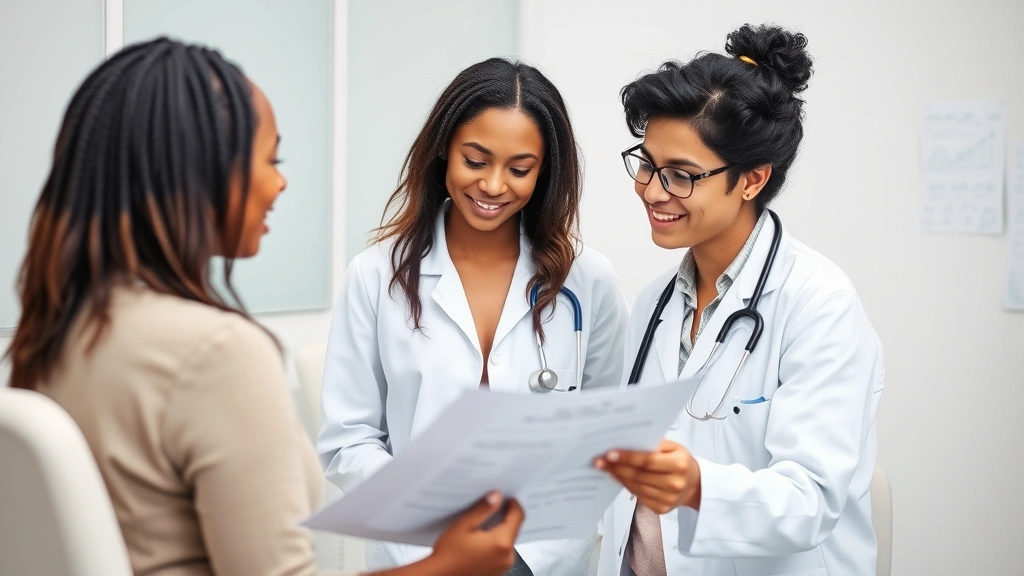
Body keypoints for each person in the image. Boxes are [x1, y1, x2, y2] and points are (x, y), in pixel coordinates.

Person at [4, 37, 523, 576]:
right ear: (196, 171)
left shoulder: (56, 333)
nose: (280, 182)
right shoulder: (216, 354)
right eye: (269, 158)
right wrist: (450, 564)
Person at [317, 58, 629, 576]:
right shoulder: (376, 275)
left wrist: (526, 556)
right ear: (444, 151)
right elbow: (347, 440)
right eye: (476, 160)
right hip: (418, 551)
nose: (493, 185)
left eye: (519, 168)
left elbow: (607, 434)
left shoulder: (588, 279)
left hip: (542, 556)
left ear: (545, 171)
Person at [592, 24, 885, 576]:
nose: (653, 190)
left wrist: (696, 483)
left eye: (680, 175)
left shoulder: (818, 304)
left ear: (751, 180)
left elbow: (811, 500)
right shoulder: (656, 302)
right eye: (647, 163)